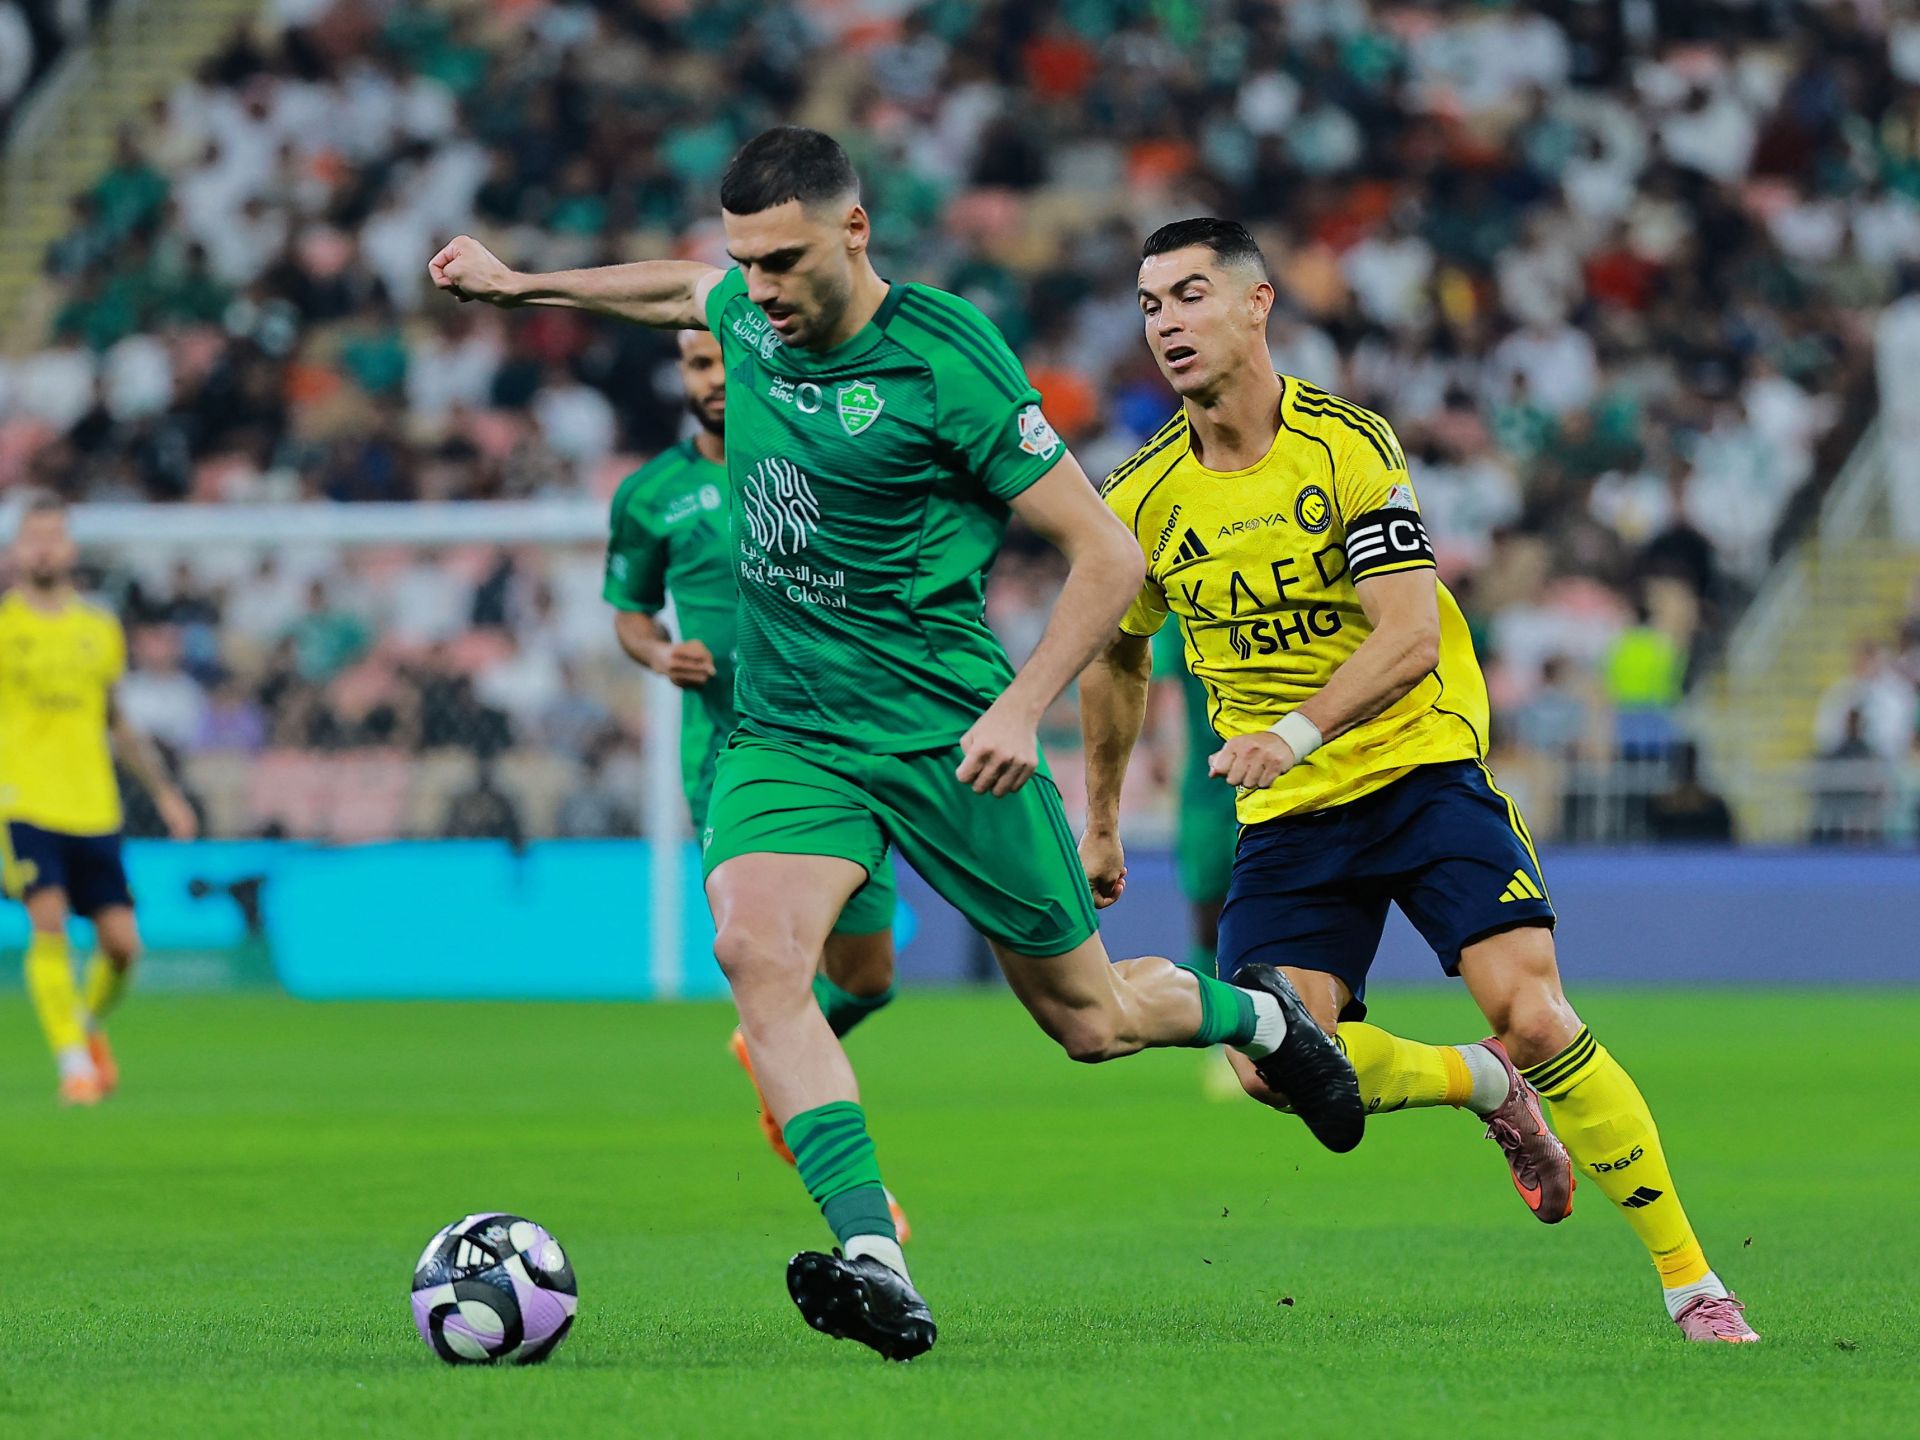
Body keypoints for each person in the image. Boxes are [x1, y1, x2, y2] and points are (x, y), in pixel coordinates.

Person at [430, 128, 1362, 1361]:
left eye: (782, 262)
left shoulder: (944, 358)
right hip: (791, 729)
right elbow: (674, 286)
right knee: (757, 952)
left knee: (1089, 1019)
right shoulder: (747, 311)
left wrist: (1021, 706)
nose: (755, 293)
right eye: (744, 264)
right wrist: (519, 281)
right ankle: (876, 1254)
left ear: (854, 232)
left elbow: (1109, 557)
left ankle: (1259, 1025)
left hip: (949, 731)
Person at [1080, 218, 1758, 1344]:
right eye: (1150, 306)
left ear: (1257, 305)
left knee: (1534, 1011)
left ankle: (1694, 1285)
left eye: (1192, 295)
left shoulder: (1346, 446)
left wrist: (1291, 733)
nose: (1168, 324)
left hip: (1418, 766)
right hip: (1290, 817)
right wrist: (1101, 820)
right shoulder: (1143, 497)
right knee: (1275, 1067)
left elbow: (1407, 638)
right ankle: (1487, 1090)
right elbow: (1113, 651)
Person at [602, 325, 908, 1235]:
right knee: (778, 971)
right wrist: (661, 655)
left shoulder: (818, 462)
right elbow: (626, 613)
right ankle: (858, 1202)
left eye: (724, 362)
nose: (714, 380)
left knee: (870, 979)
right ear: (684, 377)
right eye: (698, 365)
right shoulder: (652, 496)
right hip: (735, 764)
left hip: (844, 753)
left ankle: (769, 1056)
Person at [0, 492, 199, 1105]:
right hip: (22, 800)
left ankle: (84, 1026)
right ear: (15, 549)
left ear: (71, 548)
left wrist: (165, 792)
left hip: (93, 806)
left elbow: (117, 720)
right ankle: (74, 1068)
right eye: (32, 536)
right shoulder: (5, 626)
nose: (43, 547)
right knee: (48, 921)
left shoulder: (99, 629)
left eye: (53, 536)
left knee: (122, 947)